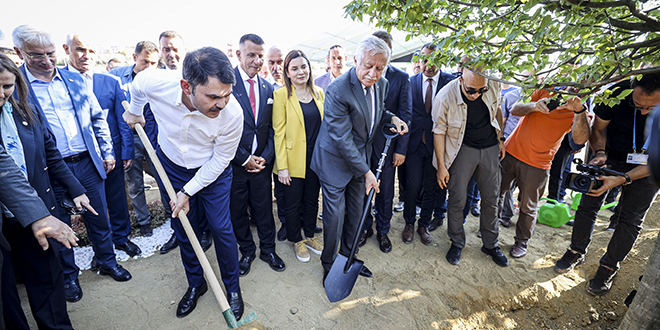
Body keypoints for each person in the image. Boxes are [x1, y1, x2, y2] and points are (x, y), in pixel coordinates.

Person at [12, 24, 131, 303]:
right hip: (50, 169)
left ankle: (107, 261)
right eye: (36, 55)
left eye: (50, 54)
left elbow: (97, 118)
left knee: (98, 216)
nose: (46, 60)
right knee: (60, 224)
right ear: (20, 53)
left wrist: (107, 150)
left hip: (87, 162)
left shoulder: (75, 80)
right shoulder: (16, 88)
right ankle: (68, 276)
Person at [123, 47, 245, 319]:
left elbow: (221, 159)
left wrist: (187, 191)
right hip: (173, 167)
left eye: (226, 95)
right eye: (213, 96)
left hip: (212, 171)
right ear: (186, 86)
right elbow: (138, 86)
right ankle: (196, 284)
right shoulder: (155, 82)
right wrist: (135, 111)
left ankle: (232, 288)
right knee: (183, 225)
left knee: (220, 227)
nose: (222, 103)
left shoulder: (233, 114)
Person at [311, 36, 408, 283]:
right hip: (334, 161)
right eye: (368, 66)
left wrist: (391, 118)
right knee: (335, 217)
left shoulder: (382, 83)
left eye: (379, 68)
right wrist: (367, 172)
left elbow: (374, 111)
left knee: (357, 214)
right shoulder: (338, 89)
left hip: (360, 160)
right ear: (355, 60)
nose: (373, 73)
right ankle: (329, 264)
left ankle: (349, 256)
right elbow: (342, 139)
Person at [0, 53, 87, 330]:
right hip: (7, 221)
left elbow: (50, 152)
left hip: (35, 211)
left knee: (48, 283)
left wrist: (76, 189)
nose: (1, 94)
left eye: (7, 86)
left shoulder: (26, 110)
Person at [554, 73, 660, 296]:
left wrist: (623, 178)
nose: (643, 112)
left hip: (650, 165)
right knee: (587, 204)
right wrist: (600, 153)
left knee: (631, 219)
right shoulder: (616, 93)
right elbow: (599, 129)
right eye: (638, 105)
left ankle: (609, 267)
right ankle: (576, 250)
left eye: (651, 108)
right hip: (610, 155)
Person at [62, 33, 142, 258]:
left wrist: (126, 151)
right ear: (66, 49)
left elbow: (121, 119)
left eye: (91, 50)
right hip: (80, 157)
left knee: (116, 198)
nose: (86, 55)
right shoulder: (58, 82)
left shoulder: (109, 81)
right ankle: (101, 249)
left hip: (113, 154)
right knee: (91, 206)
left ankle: (122, 238)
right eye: (80, 49)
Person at [432, 57, 509, 267]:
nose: (476, 95)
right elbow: (438, 132)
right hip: (461, 150)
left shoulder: (492, 84)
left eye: (481, 90)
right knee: (457, 199)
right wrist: (441, 167)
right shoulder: (444, 96)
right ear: (460, 78)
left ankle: (490, 244)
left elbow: (498, 109)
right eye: (471, 90)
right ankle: (456, 242)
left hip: (490, 148)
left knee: (491, 199)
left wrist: (500, 139)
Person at [499, 88, 590, 258]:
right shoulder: (546, 89)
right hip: (511, 152)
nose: (573, 88)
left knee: (528, 206)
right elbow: (515, 109)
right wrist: (534, 105)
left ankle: (521, 241)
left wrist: (578, 110)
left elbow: (579, 139)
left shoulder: (581, 110)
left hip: (539, 163)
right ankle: (489, 230)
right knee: (496, 193)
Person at [230, 34, 285, 276]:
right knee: (238, 211)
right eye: (251, 55)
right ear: (239, 54)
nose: (257, 60)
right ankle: (247, 251)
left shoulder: (268, 87)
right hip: (235, 164)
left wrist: (266, 156)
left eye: (261, 56)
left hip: (262, 164)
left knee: (264, 210)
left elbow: (273, 128)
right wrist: (244, 158)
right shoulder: (225, 85)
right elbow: (219, 131)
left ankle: (268, 250)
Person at [154, 31, 213, 254]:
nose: (171, 54)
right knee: (171, 196)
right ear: (160, 51)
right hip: (168, 152)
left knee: (197, 196)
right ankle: (178, 233)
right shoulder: (156, 81)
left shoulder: (198, 77)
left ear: (184, 50)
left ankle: (204, 233)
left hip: (197, 154)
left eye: (175, 48)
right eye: (166, 49)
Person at [359, 31, 412, 253]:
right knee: (362, 189)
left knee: (385, 192)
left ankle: (383, 231)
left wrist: (401, 149)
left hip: (388, 146)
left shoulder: (401, 78)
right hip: (362, 146)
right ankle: (364, 228)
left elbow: (405, 113)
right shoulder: (361, 73)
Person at [272, 50, 325, 262]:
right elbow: (279, 133)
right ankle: (297, 240)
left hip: (316, 159)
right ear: (287, 72)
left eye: (304, 66)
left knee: (312, 200)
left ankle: (310, 235)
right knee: (293, 203)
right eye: (294, 68)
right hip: (292, 159)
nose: (300, 71)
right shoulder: (281, 95)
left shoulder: (319, 92)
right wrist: (282, 167)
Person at [403, 43, 455, 246]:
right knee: (413, 185)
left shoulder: (450, 82)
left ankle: (423, 225)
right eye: (425, 59)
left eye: (434, 60)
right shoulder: (410, 81)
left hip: (439, 145)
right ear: (420, 60)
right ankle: (408, 223)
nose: (429, 65)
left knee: (432, 187)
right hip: (414, 144)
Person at [110, 40, 160, 237]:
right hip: (130, 139)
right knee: (135, 182)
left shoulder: (159, 78)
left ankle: (170, 212)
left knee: (163, 177)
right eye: (145, 62)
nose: (149, 67)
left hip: (154, 138)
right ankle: (144, 222)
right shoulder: (115, 77)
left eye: (154, 63)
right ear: (134, 58)